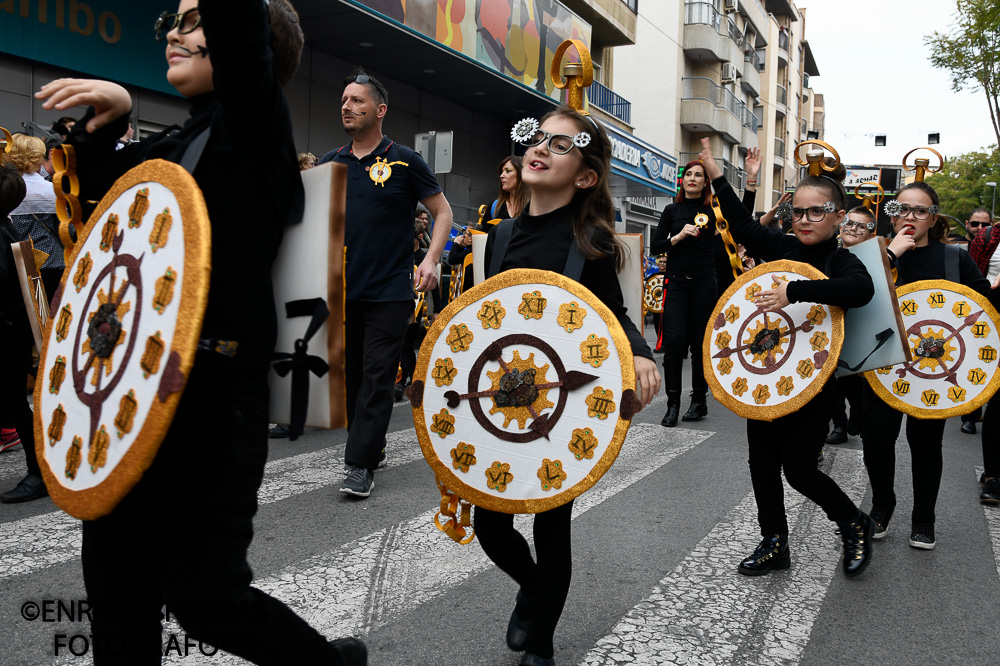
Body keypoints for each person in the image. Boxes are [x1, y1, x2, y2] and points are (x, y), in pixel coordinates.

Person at [35, 2, 367, 663]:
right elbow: (101, 198)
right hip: (129, 393)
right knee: (116, 598)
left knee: (206, 596)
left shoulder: (255, 127)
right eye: (173, 22)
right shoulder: (174, 143)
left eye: (193, 19)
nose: (175, 34)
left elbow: (240, 31)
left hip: (214, 401)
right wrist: (116, 119)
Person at [476, 107, 659, 666]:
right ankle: (533, 590)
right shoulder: (498, 235)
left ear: (584, 177)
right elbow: (481, 323)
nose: (541, 148)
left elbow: (615, 315)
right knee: (490, 524)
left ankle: (545, 641)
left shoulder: (590, 240)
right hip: (503, 399)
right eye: (537, 137)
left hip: (562, 403)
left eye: (561, 145)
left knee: (551, 523)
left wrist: (641, 351)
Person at [698, 138, 877, 578]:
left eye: (816, 211)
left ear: (837, 217)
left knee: (798, 470)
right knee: (761, 464)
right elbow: (741, 226)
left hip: (811, 383)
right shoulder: (781, 247)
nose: (805, 219)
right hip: (764, 375)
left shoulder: (841, 259)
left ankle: (853, 521)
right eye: (798, 211)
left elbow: (861, 291)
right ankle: (774, 541)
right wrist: (720, 177)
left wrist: (793, 291)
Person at [318, 67, 453, 498]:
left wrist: (430, 260)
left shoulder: (405, 160)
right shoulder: (330, 163)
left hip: (390, 291)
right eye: (344, 100)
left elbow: (443, 212)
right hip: (341, 292)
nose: (347, 106)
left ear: (380, 110)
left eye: (357, 100)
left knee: (377, 375)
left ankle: (358, 465)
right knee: (352, 379)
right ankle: (371, 445)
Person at [867, 185, 1000, 545]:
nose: (910, 217)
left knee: (925, 444)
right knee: (877, 438)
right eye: (903, 209)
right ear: (892, 212)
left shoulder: (953, 259)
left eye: (920, 211)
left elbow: (982, 307)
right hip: (882, 363)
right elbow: (854, 294)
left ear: (934, 217)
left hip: (936, 372)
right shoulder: (873, 252)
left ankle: (924, 518)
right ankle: (882, 507)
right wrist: (887, 256)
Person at [0, 164, 47, 503]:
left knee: (15, 401)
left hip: (8, 331)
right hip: (15, 328)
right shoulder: (9, 225)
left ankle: (39, 472)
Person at [824, 206, 878, 445]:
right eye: (849, 222)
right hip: (830, 325)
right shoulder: (828, 254)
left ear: (871, 234)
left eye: (861, 226)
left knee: (853, 379)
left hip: (862, 325)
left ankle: (857, 413)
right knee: (831, 379)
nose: (853, 228)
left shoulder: (880, 259)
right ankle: (839, 424)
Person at [5, 133, 66, 296]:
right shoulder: (52, 191)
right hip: (52, 263)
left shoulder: (7, 188)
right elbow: (67, 231)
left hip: (16, 264)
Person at [963, 207, 996, 434]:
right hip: (976, 309)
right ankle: (970, 415)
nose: (980, 229)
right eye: (975, 224)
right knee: (971, 360)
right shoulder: (977, 245)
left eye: (985, 225)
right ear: (967, 224)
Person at [492, 154, 529, 220]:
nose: (502, 175)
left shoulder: (535, 210)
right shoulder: (494, 208)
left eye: (508, 171)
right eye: (502, 172)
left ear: (521, 174)